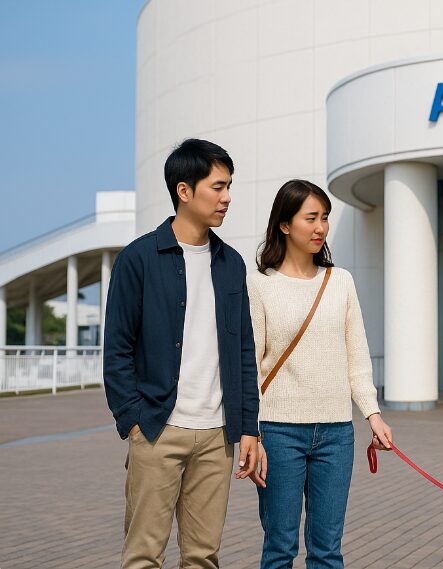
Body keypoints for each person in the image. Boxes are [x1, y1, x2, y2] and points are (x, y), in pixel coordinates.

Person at [103, 139, 262, 569]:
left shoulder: (231, 264)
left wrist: (249, 427)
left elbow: (243, 350)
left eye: (229, 186)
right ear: (184, 191)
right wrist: (133, 421)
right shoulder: (138, 259)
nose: (227, 197)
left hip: (216, 435)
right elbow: (117, 350)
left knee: (203, 557)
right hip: (157, 429)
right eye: (218, 186)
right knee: (143, 557)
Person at [248, 179, 392, 569]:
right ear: (284, 224)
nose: (320, 228)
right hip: (278, 432)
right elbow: (251, 365)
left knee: (328, 550)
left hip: (336, 433)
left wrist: (373, 414)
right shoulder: (259, 285)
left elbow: (356, 356)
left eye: (325, 218)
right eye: (310, 218)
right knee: (280, 547)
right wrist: (253, 433)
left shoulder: (340, 281)